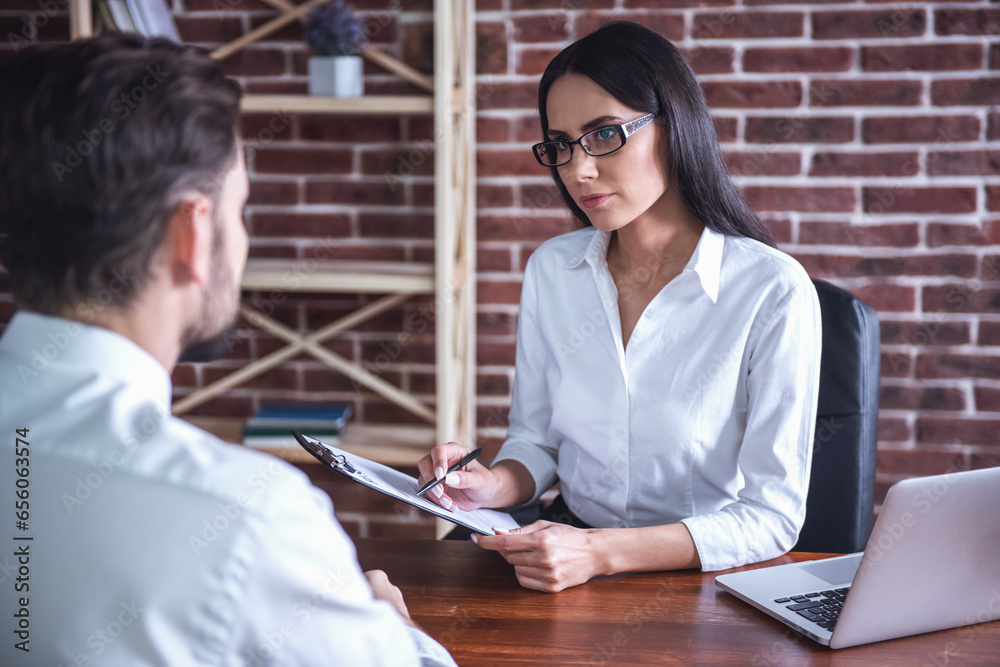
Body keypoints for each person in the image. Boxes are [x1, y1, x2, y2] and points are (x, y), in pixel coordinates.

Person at [0, 33, 455, 665]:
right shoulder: (248, 515)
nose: (241, 245)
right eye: (240, 212)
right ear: (191, 233)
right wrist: (392, 630)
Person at [417, 22, 822, 593]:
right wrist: (492, 486)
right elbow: (538, 442)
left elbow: (773, 518)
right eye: (560, 145)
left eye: (604, 134)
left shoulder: (771, 290)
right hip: (565, 558)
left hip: (707, 582)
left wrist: (601, 553)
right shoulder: (553, 271)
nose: (578, 170)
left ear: (673, 125)